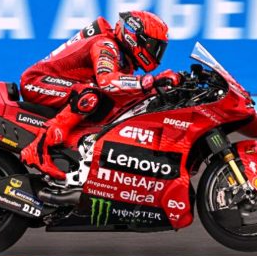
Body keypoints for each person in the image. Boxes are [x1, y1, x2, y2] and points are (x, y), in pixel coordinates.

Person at [19, 11, 181, 180]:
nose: (156, 53)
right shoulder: (106, 44)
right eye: (153, 47)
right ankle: (37, 149)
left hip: (63, 86)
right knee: (89, 94)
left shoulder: (124, 61)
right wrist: (148, 82)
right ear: (135, 37)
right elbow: (106, 81)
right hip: (36, 81)